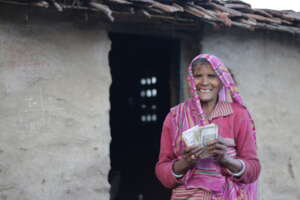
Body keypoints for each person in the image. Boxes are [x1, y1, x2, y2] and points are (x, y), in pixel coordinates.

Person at [155, 54, 260, 200]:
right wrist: (186, 162)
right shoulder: (174, 117)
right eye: (198, 76)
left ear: (221, 81)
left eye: (212, 76)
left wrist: (226, 160)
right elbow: (162, 171)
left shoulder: (238, 115)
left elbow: (253, 169)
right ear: (190, 80)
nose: (204, 82)